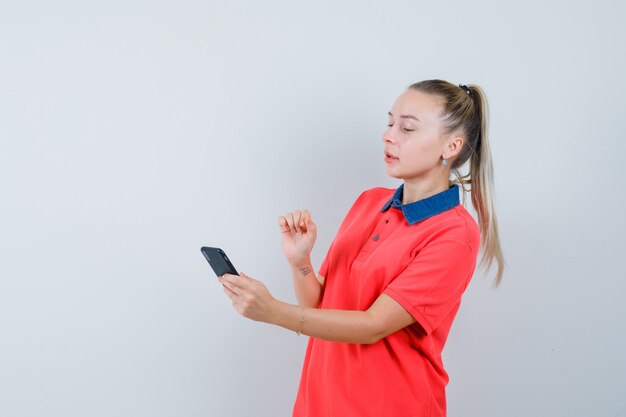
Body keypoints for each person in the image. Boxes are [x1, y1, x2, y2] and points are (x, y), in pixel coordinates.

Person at [218, 79, 506, 417]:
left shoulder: (454, 234)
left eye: (407, 128)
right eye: (389, 123)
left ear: (451, 146)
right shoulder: (369, 202)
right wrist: (301, 262)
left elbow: (373, 325)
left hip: (390, 406)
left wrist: (273, 312)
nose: (389, 135)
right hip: (320, 402)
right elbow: (321, 306)